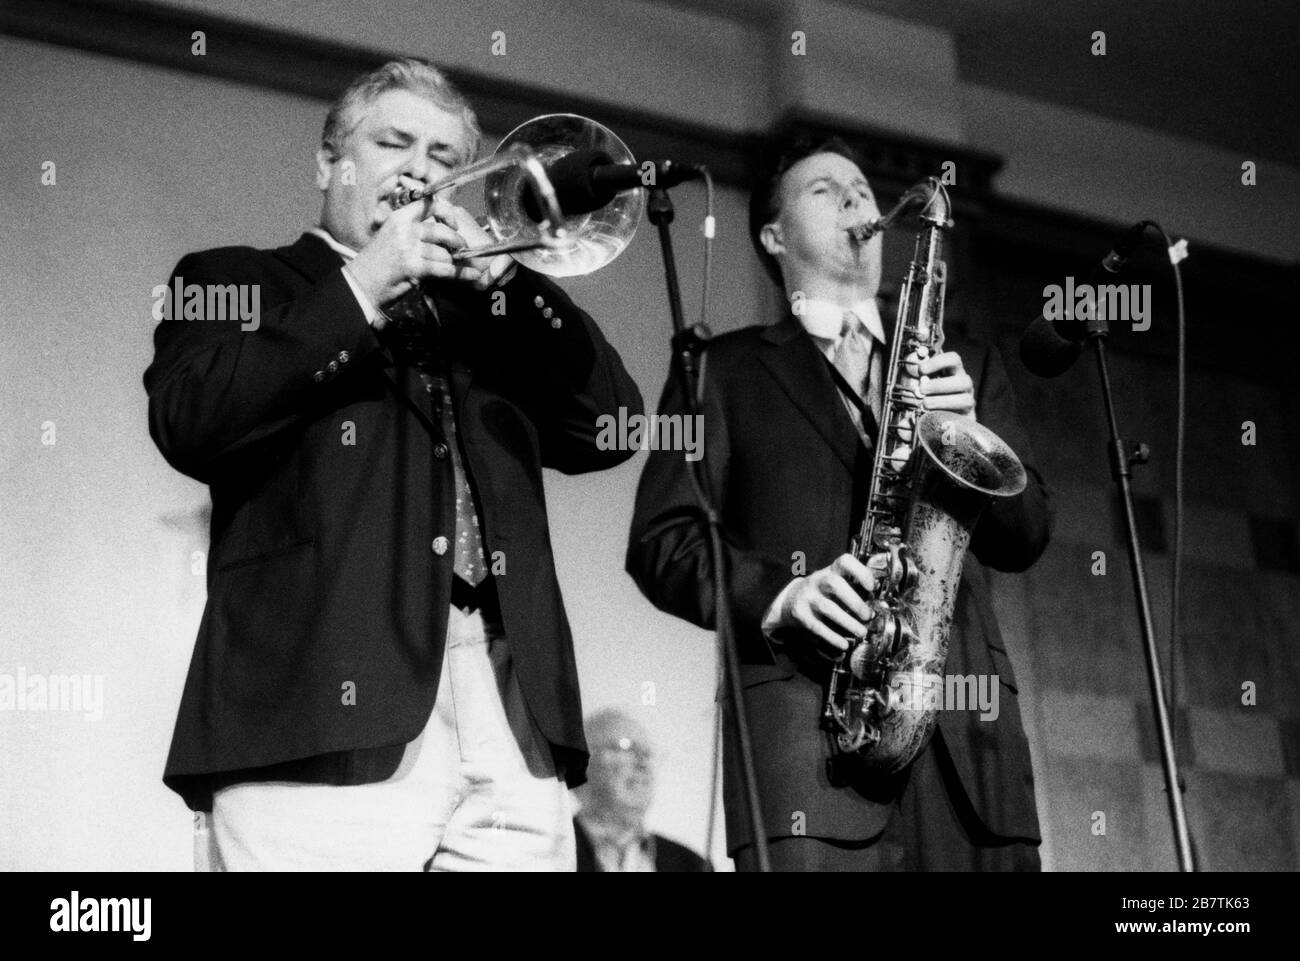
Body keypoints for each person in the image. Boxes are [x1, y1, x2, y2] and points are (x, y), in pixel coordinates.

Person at [144, 58, 643, 871]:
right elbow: (188, 419)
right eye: (394, 142)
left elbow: (613, 426)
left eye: (445, 158)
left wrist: (510, 286)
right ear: (326, 163)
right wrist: (365, 283)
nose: (421, 170)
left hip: (511, 708)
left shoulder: (489, 313)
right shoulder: (233, 279)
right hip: (317, 708)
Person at [626, 134, 1053, 871]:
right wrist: (782, 595)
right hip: (807, 756)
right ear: (772, 233)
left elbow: (1026, 533)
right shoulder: (718, 371)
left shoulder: (968, 364)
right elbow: (662, 544)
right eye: (824, 188)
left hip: (972, 762)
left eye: (859, 185)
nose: (857, 196)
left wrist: (972, 425)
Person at [572, 708, 711, 872]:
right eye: (626, 747)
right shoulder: (547, 849)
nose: (643, 764)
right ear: (585, 762)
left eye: (648, 753)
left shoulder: (692, 865)